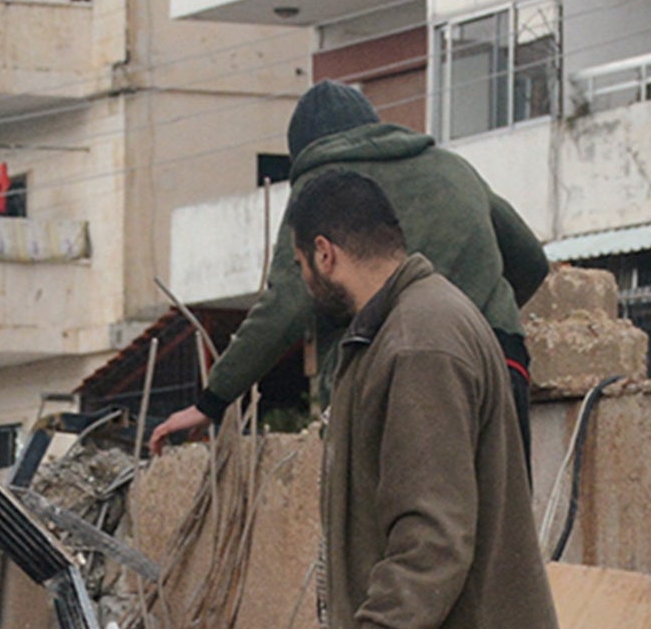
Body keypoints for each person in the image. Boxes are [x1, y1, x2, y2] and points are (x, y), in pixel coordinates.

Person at [288, 168, 556, 629]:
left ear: (325, 253)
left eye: (301, 265)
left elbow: (432, 522)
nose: (302, 281)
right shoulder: (398, 330)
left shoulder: (418, 341)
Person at [147, 82, 547, 454]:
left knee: (394, 519)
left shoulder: (322, 190)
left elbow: (285, 305)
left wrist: (212, 401)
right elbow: (530, 261)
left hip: (389, 373)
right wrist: (479, 309)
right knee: (504, 515)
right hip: (497, 360)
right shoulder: (451, 168)